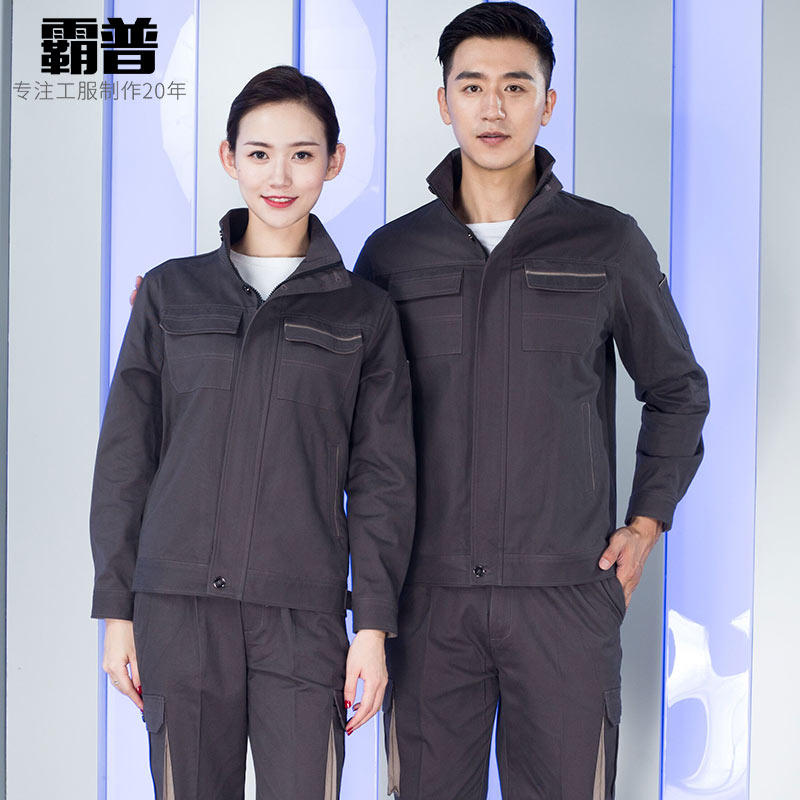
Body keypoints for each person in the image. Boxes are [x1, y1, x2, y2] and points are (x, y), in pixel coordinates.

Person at [353, 4, 710, 799]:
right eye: (472, 86)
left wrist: (647, 523)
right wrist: (201, 298)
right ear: (443, 101)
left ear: (547, 104)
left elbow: (677, 390)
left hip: (565, 596)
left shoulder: (606, 244)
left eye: (516, 86)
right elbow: (333, 403)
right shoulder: (392, 256)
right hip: (427, 599)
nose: (493, 106)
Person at [91, 65, 416, 800]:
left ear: (334, 161)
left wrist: (372, 626)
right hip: (176, 606)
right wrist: (116, 609)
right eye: (260, 153)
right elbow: (126, 459)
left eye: (303, 154)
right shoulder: (170, 292)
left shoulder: (364, 313)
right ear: (228, 157)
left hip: (302, 614)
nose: (280, 176)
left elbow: (382, 479)